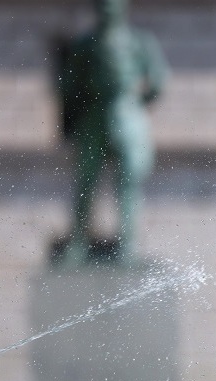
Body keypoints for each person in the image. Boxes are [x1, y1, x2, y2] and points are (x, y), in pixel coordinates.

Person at [61, 0, 167, 264]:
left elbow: (159, 79)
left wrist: (136, 104)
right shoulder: (85, 44)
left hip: (127, 113)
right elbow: (69, 84)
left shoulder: (140, 41)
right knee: (87, 181)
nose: (108, 9)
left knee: (128, 180)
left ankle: (127, 244)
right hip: (95, 115)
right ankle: (78, 242)